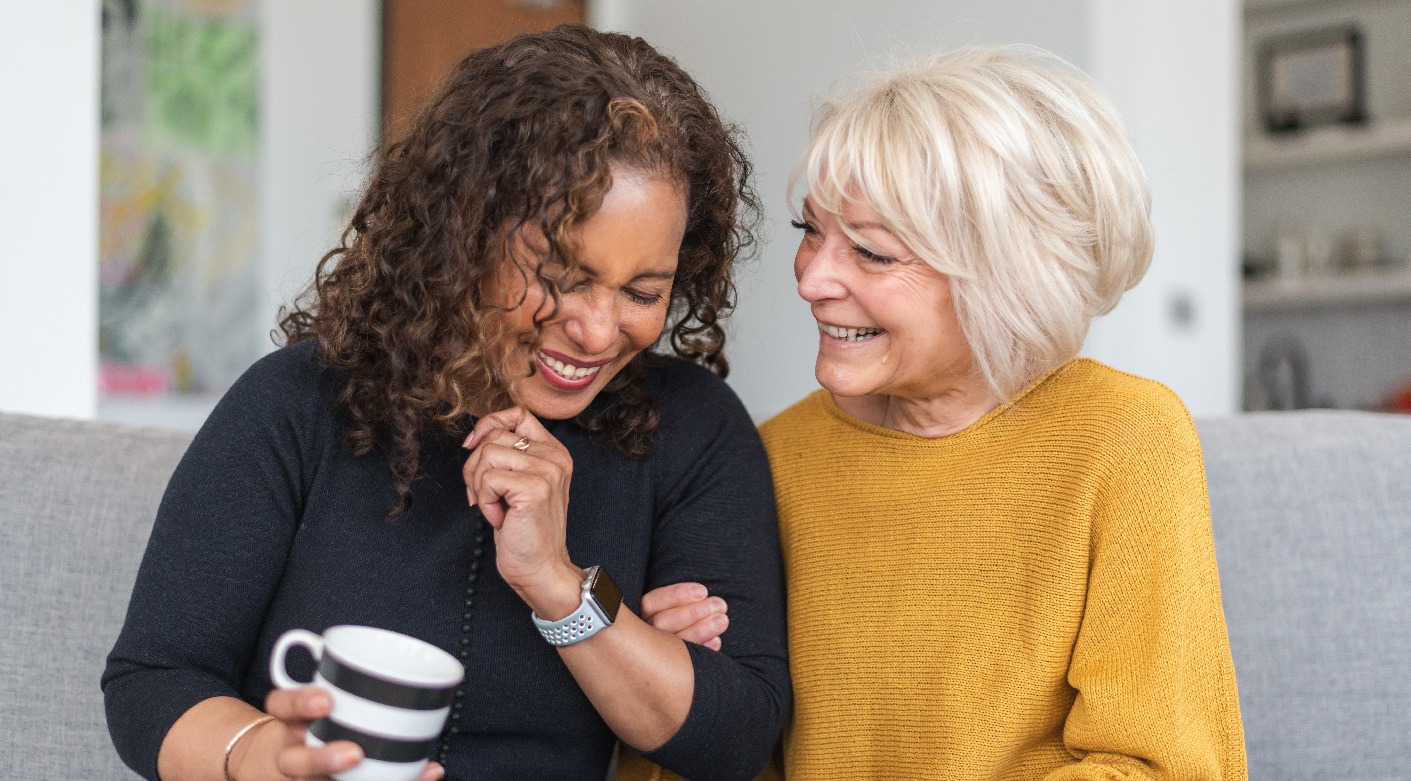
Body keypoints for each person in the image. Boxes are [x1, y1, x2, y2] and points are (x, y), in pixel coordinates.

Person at [103, 25, 789, 781]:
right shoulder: (296, 403)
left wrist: (561, 588)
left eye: (641, 291)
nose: (596, 329)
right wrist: (262, 756)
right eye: (559, 275)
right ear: (463, 236)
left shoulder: (691, 430)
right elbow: (154, 679)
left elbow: (734, 735)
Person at [633, 44, 1247, 779]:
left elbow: (1159, 765)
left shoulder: (1122, 438)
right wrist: (680, 693)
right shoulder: (770, 456)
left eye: (871, 252)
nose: (812, 279)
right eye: (810, 232)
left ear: (1010, 278)